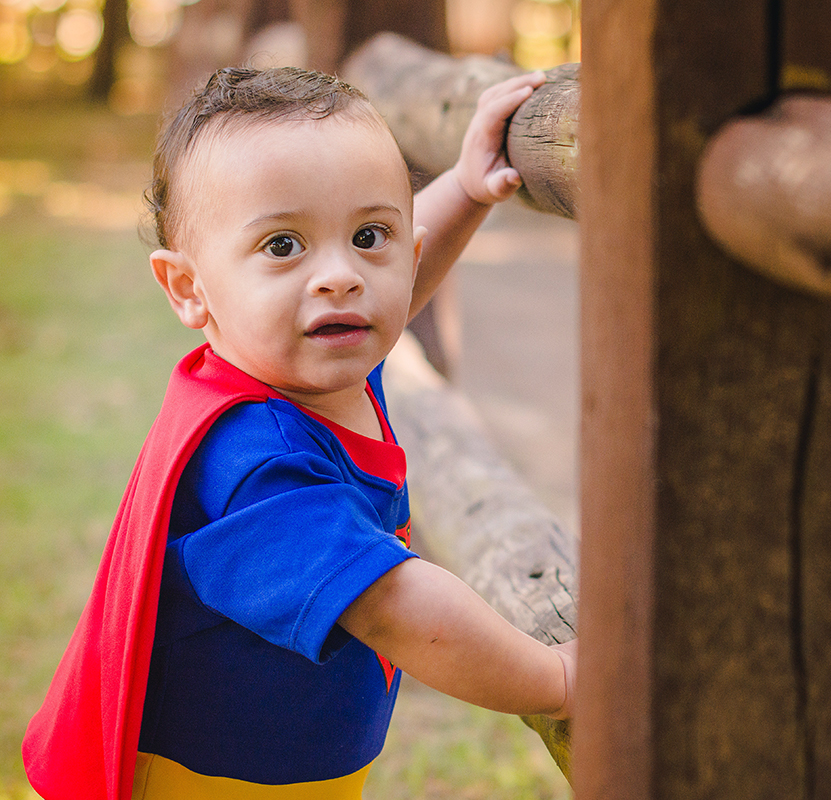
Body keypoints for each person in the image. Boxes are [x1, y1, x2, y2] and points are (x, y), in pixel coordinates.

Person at [23, 65, 574, 799]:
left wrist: (468, 190)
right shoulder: (256, 465)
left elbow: (397, 283)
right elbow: (394, 606)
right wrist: (556, 677)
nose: (340, 277)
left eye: (369, 234)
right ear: (189, 288)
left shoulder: (316, 367)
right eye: (283, 246)